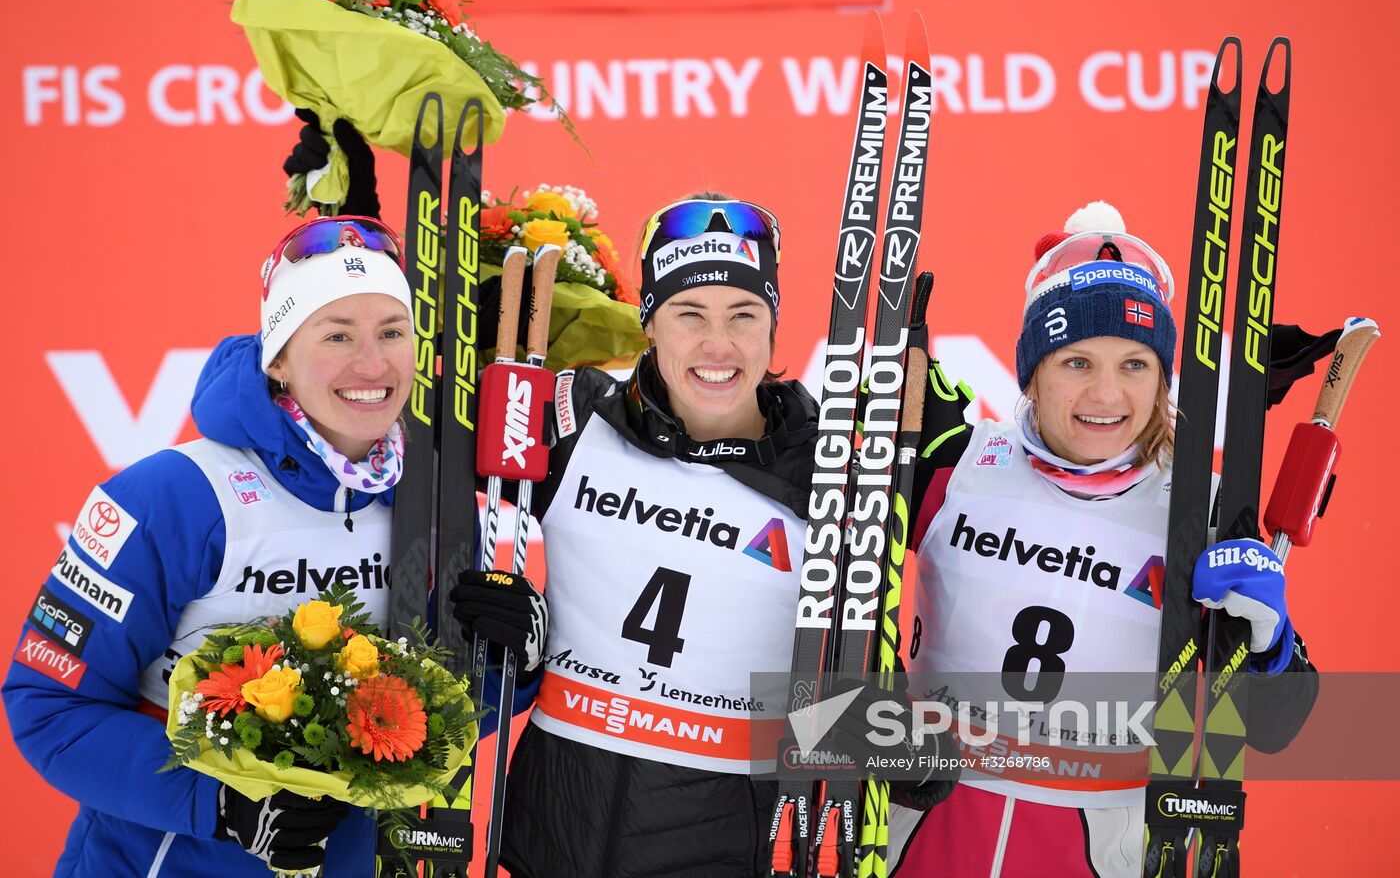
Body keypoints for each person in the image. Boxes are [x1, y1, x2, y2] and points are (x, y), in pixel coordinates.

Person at [884, 202, 1320, 877]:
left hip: (1091, 853)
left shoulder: (1200, 514)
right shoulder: (955, 465)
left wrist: (1270, 646)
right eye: (1077, 362)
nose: (1106, 394)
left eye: (1135, 365)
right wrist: (867, 735)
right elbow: (825, 634)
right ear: (1031, 370)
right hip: (923, 844)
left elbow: (1276, 729)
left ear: (1164, 379)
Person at [4, 215, 417, 876]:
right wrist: (222, 806)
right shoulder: (174, 495)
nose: (371, 363)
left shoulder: (433, 503)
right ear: (278, 357)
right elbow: (51, 707)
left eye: (391, 332)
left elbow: (445, 719)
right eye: (336, 334)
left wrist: (511, 658)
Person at [452, 193, 839, 876]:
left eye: (744, 316)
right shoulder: (575, 420)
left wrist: (910, 748)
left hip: (718, 847)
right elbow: (408, 468)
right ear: (650, 323)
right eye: (690, 314)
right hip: (548, 838)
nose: (718, 345)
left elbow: (847, 681)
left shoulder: (827, 477)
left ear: (773, 328)